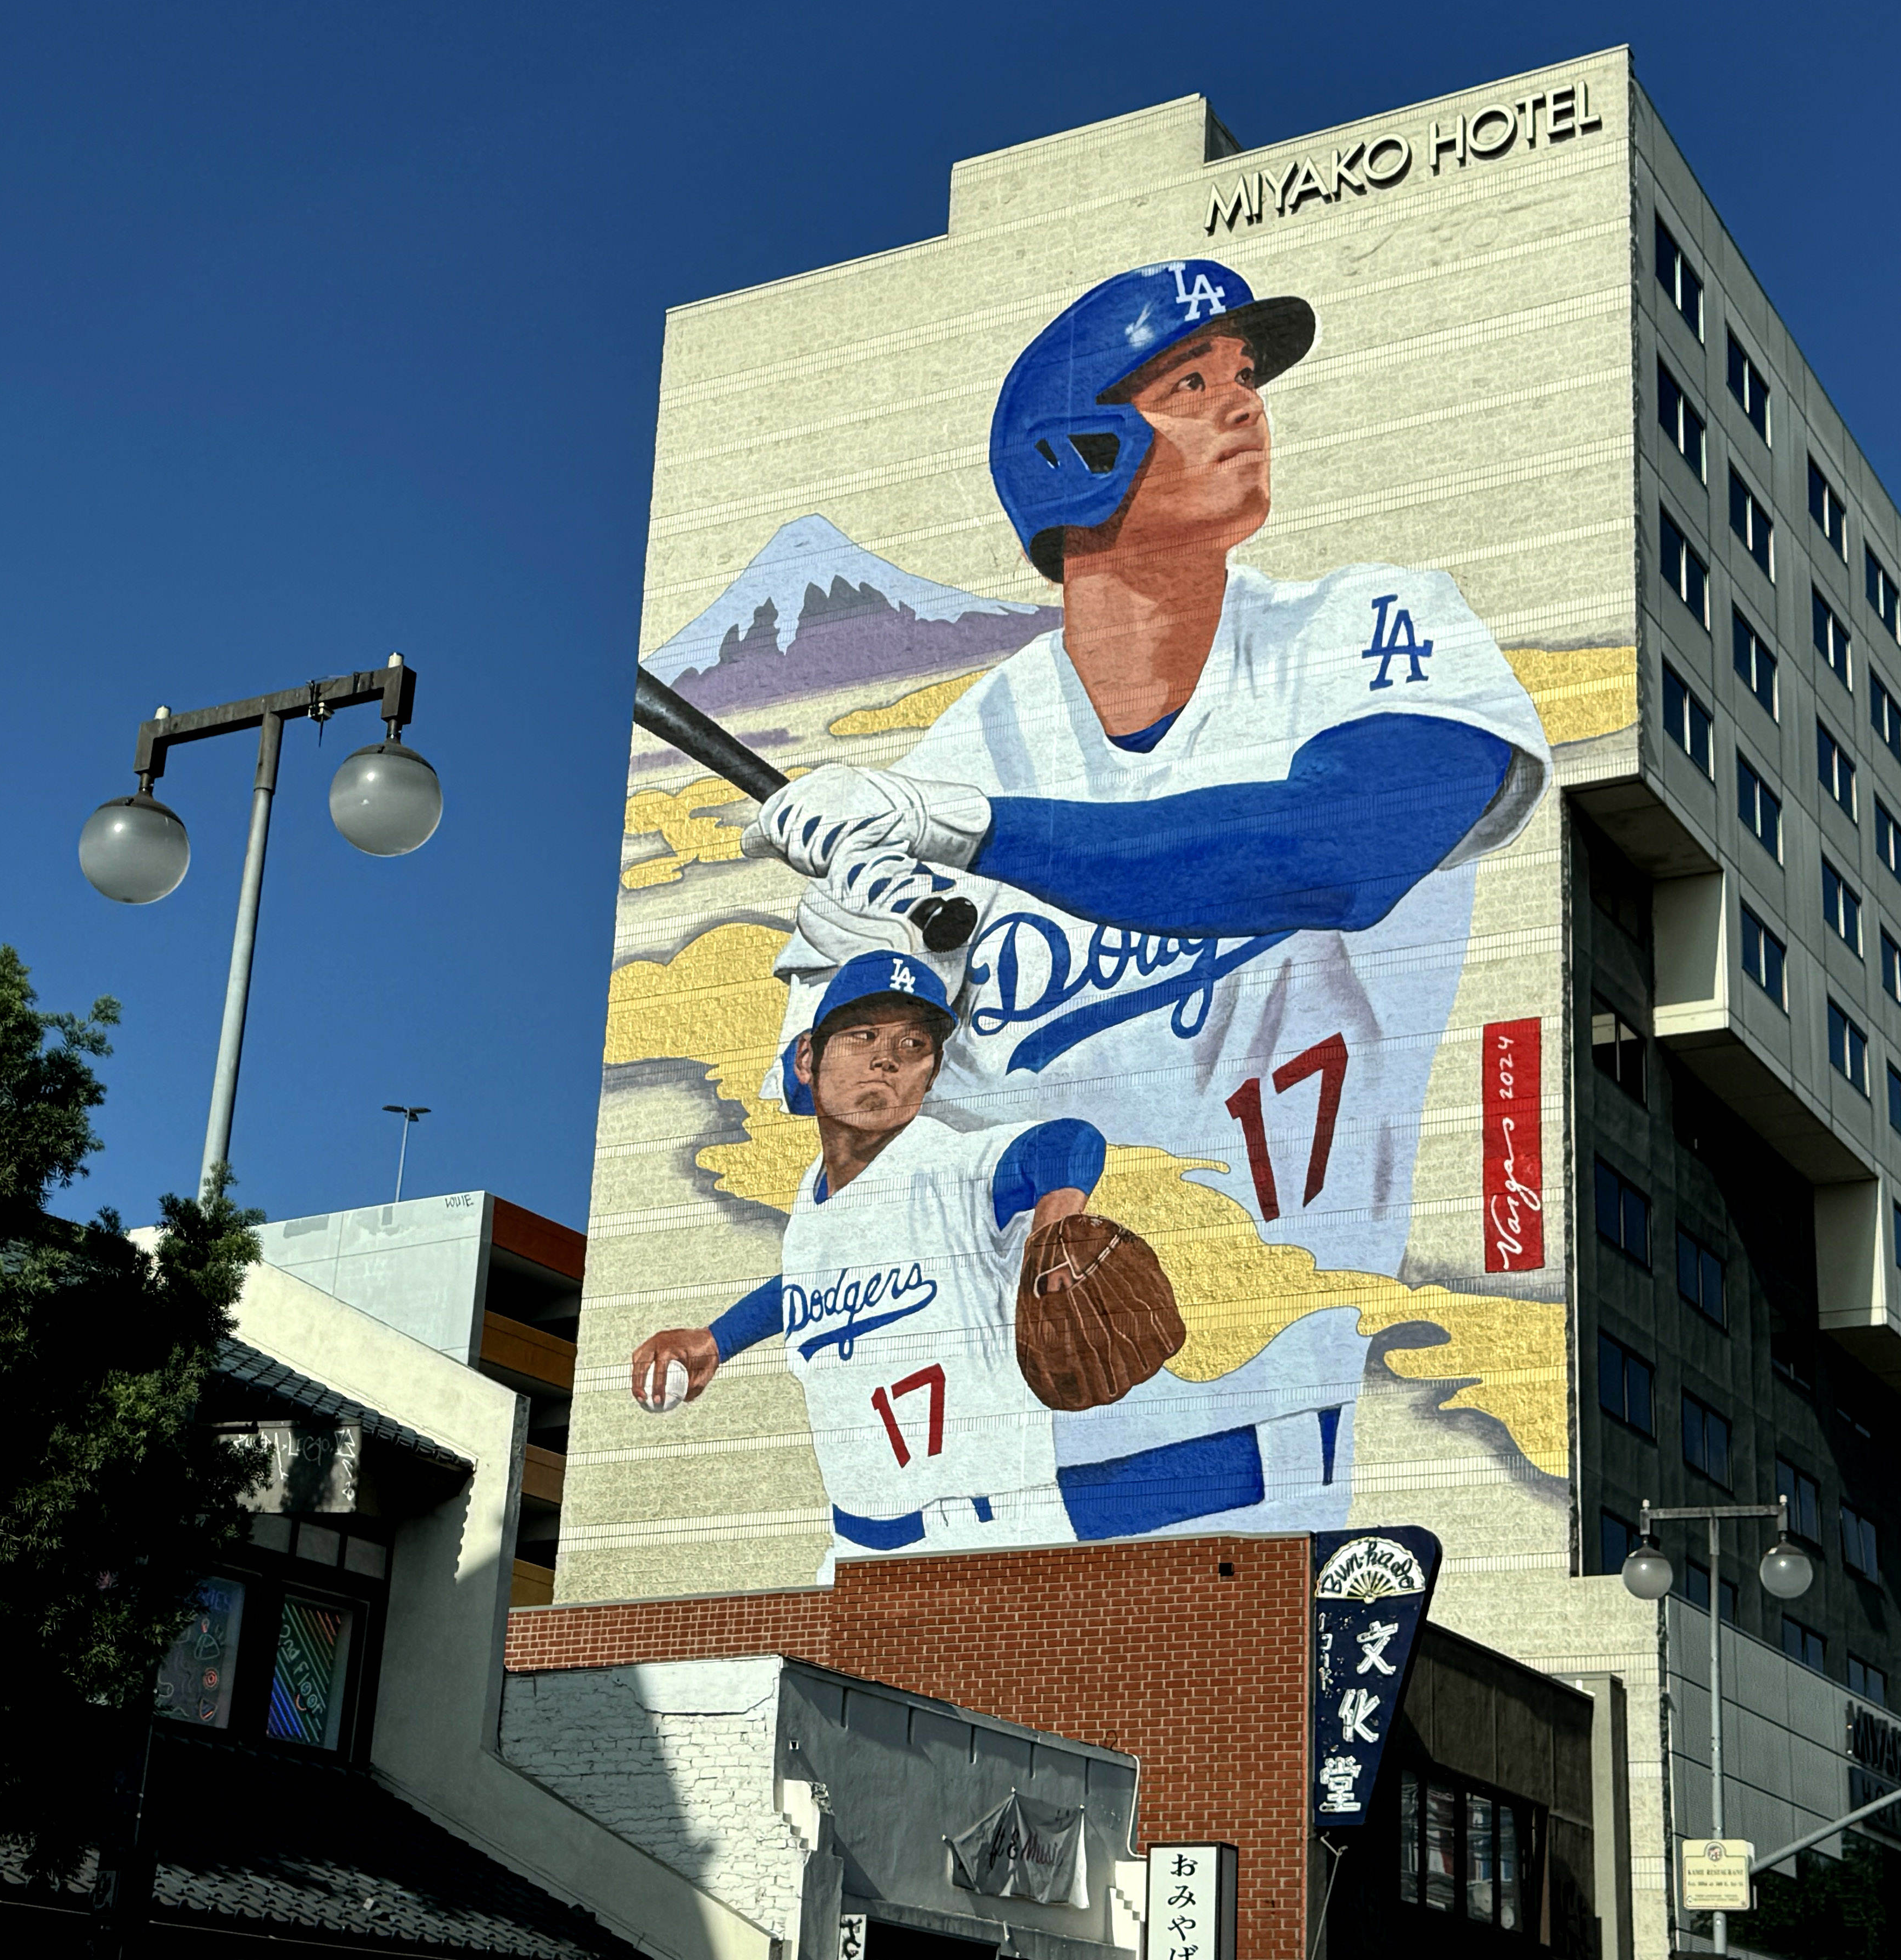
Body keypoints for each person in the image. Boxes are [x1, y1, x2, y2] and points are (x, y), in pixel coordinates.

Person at [748, 258, 1553, 1294]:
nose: (1247, 406)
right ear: (1073, 455)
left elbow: (1347, 849)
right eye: (1192, 385)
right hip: (1012, 1382)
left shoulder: (1366, 626)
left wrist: (971, 829)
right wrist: (861, 983)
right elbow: (829, 1115)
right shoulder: (949, 762)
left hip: (1278, 1343)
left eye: (1245, 375)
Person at [627, 951, 1123, 1565]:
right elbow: (806, 1285)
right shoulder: (817, 1196)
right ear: (808, 1058)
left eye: (914, 1044)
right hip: (855, 1547)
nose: (887, 1058)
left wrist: (1054, 1237)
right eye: (863, 1035)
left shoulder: (948, 1169)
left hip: (985, 1535)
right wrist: (716, 1340)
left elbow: (1066, 1143)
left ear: (930, 1076)